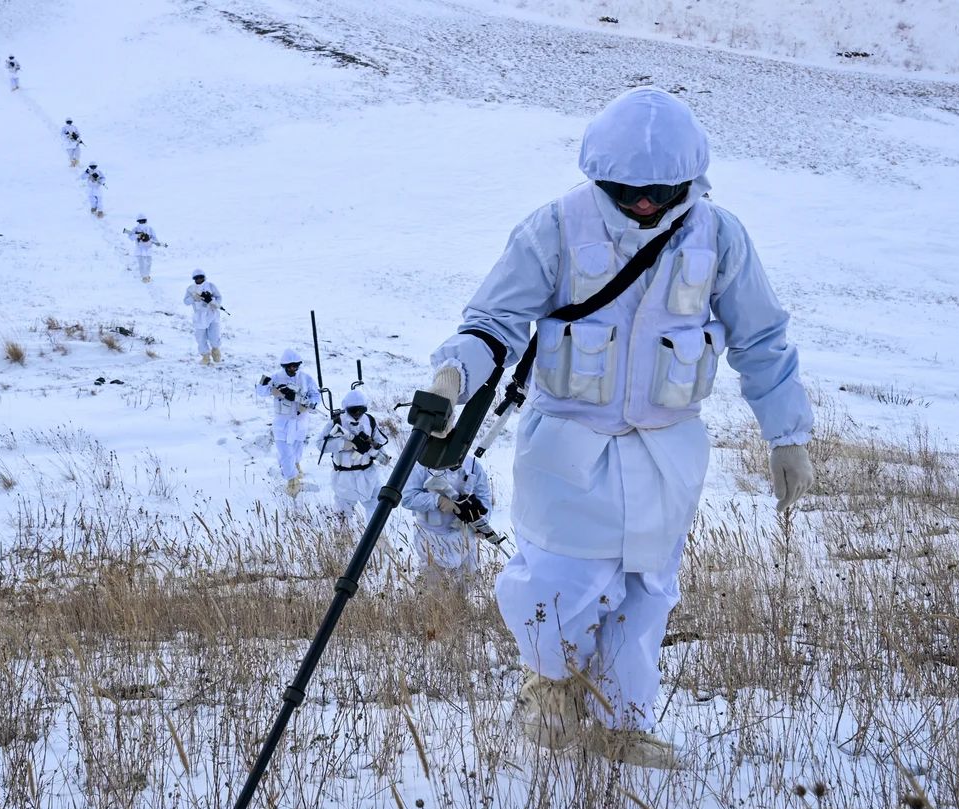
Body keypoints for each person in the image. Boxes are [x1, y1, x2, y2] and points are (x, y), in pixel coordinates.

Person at [424, 86, 814, 769]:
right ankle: (550, 690)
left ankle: (622, 723)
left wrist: (788, 435)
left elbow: (762, 339)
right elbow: (493, 322)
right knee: (555, 582)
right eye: (629, 192)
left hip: (667, 455)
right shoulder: (555, 228)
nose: (644, 205)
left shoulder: (719, 237)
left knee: (646, 593)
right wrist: (453, 374)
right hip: (568, 449)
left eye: (659, 192)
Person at [401, 453, 495, 576]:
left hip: (464, 537)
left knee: (468, 582)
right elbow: (408, 498)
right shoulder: (422, 464)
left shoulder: (472, 465)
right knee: (435, 586)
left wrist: (481, 523)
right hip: (431, 538)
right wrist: (438, 500)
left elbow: (484, 496)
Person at [255, 348, 320, 495]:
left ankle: (296, 466)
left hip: (300, 421)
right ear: (284, 366)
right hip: (282, 423)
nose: (293, 369)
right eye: (290, 366)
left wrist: (307, 404)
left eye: (295, 366)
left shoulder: (306, 378)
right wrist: (272, 390)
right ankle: (292, 480)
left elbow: (316, 397)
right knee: (285, 452)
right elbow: (260, 390)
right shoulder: (276, 378)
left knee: (297, 449)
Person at [322, 390, 390, 518]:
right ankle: (343, 531)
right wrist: (344, 444)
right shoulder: (337, 423)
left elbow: (378, 441)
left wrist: (381, 455)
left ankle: (375, 532)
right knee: (343, 514)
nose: (357, 413)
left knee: (376, 510)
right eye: (353, 410)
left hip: (369, 475)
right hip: (345, 478)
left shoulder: (369, 421)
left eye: (361, 410)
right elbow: (320, 444)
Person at [183, 269, 225, 363]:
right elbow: (186, 301)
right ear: (194, 279)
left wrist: (214, 302)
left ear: (204, 277)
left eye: (201, 277)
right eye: (196, 278)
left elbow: (219, 297)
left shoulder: (211, 286)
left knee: (214, 336)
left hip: (212, 314)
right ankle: (205, 356)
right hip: (199, 317)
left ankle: (216, 351)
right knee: (200, 338)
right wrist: (194, 298)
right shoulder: (191, 289)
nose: (199, 279)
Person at [126, 215, 159, 282]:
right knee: (146, 265)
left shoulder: (146, 228)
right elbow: (131, 237)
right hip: (144, 250)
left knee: (143, 265)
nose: (142, 222)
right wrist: (138, 235)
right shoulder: (142, 229)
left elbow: (130, 237)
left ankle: (145, 277)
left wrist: (149, 239)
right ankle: (145, 277)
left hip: (143, 250)